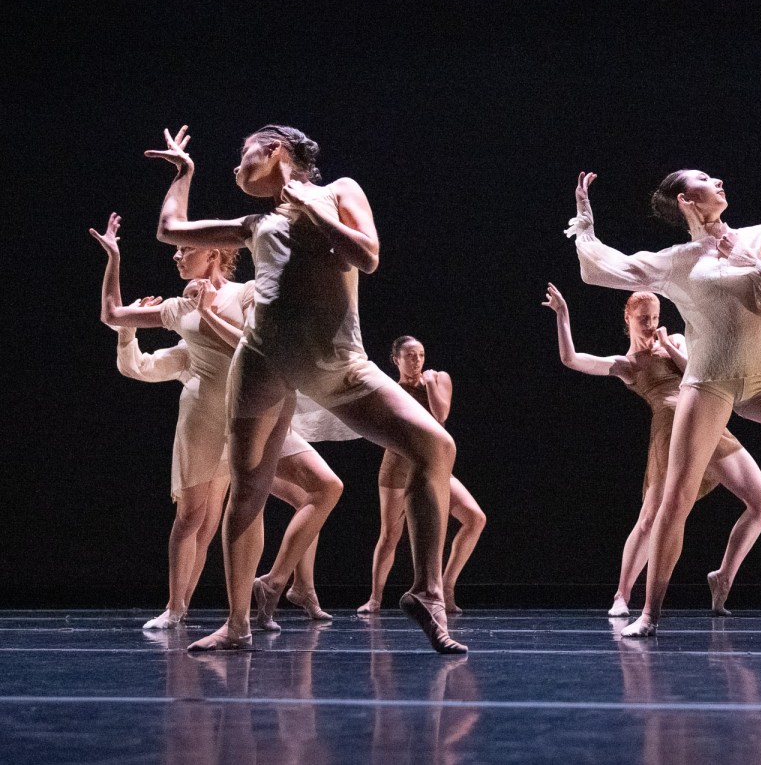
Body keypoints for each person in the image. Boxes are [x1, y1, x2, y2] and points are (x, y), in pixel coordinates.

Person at [149, 124, 464, 653]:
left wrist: (313, 210)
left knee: (435, 445)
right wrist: (184, 173)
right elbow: (170, 230)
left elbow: (367, 256)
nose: (236, 166)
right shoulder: (254, 223)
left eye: (244, 152)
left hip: (338, 363)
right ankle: (237, 624)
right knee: (247, 491)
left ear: (275, 149)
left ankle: (427, 591)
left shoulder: (340, 191)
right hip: (263, 362)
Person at [567, 171, 761, 637]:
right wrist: (586, 226)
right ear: (685, 199)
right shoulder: (678, 260)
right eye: (703, 179)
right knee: (675, 498)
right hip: (708, 382)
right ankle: (649, 613)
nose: (717, 180)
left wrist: (746, 258)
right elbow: (602, 269)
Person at [92, 216, 344, 630]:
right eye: (177, 250)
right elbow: (112, 315)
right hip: (205, 416)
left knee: (313, 489)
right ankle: (178, 608)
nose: (177, 256)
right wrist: (114, 258)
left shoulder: (244, 293)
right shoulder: (178, 309)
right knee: (195, 517)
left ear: (214, 252)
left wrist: (206, 312)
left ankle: (273, 587)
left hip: (255, 412)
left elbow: (252, 346)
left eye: (186, 249)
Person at [543, 283, 761, 617]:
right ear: (628, 318)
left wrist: (668, 345)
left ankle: (723, 576)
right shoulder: (628, 364)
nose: (651, 324)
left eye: (654, 317)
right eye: (644, 318)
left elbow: (699, 372)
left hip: (706, 422)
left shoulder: (675, 341)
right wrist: (563, 314)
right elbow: (572, 359)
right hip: (669, 433)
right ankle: (622, 595)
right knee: (650, 518)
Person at [358, 336, 486, 617]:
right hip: (398, 467)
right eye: (410, 356)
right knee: (390, 534)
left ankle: (446, 587)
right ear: (396, 360)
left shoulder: (439, 379)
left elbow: (440, 416)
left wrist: (429, 385)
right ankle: (375, 599)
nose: (417, 360)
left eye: (421, 354)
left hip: (433, 466)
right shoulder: (390, 389)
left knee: (475, 518)